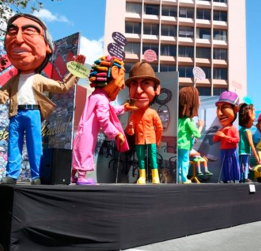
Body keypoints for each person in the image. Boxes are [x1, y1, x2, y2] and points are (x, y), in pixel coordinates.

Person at [0, 13, 86, 185]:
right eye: (13, 32)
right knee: (13, 145)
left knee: (34, 145)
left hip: (33, 113)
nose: (18, 39)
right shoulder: (13, 80)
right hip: (16, 114)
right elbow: (2, 95)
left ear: (47, 47)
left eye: (29, 31)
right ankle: (12, 175)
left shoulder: (38, 78)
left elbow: (62, 86)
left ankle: (35, 175)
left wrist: (76, 72)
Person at [71, 56, 131, 185]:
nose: (123, 84)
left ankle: (72, 176)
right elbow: (103, 118)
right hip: (89, 132)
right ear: (114, 73)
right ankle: (81, 177)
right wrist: (116, 133)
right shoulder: (102, 99)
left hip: (83, 129)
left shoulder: (96, 96)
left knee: (78, 151)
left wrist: (123, 108)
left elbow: (110, 110)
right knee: (85, 151)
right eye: (121, 76)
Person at [125, 62, 163, 184]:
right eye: (134, 84)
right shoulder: (134, 114)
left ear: (157, 89)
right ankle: (142, 176)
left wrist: (157, 140)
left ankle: (155, 175)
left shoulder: (152, 112)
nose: (139, 90)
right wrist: (130, 128)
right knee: (140, 158)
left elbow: (159, 127)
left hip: (151, 139)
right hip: (139, 140)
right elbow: (130, 132)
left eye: (146, 83)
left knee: (153, 158)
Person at [177, 86, 204, 184]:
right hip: (185, 146)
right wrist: (201, 126)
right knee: (184, 161)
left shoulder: (179, 120)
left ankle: (178, 177)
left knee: (179, 161)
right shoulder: (189, 121)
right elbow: (197, 134)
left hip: (178, 144)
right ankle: (184, 178)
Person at [213, 91, 240, 183]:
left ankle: (233, 179)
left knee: (232, 164)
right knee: (224, 165)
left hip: (232, 150)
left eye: (224, 108)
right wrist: (218, 135)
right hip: (223, 150)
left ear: (235, 109)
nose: (220, 113)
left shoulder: (233, 129)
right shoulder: (222, 129)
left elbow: (237, 140)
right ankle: (225, 179)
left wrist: (224, 137)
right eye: (218, 108)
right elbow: (214, 139)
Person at [238, 100, 260, 183]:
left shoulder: (239, 129)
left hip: (239, 151)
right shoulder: (247, 131)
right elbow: (251, 144)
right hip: (245, 152)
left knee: (241, 165)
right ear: (249, 114)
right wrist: (257, 159)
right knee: (246, 164)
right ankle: (245, 177)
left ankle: (241, 177)